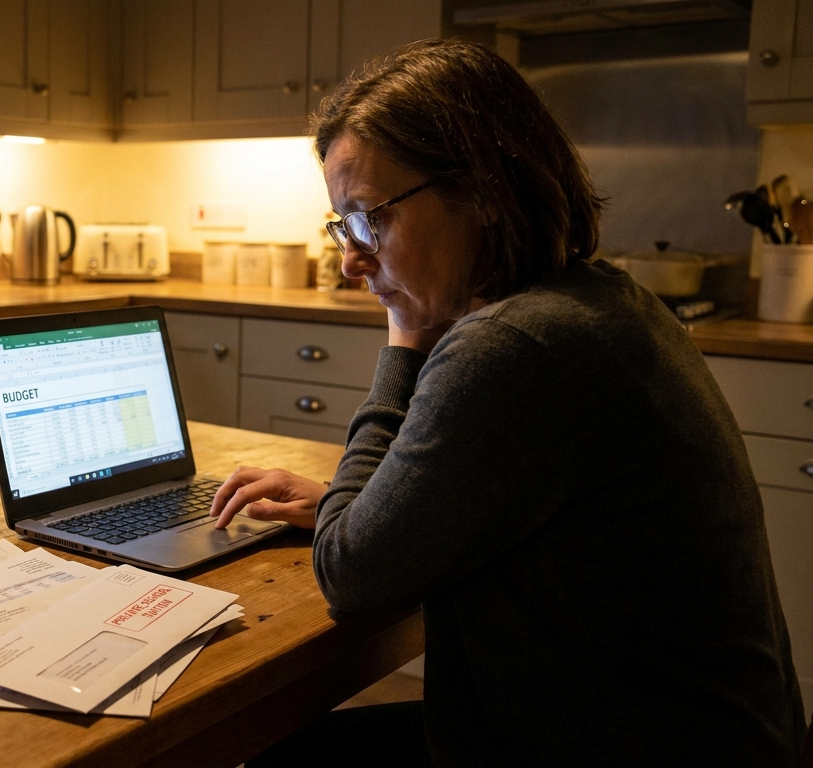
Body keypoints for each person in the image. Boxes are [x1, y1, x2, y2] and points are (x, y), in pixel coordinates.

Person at [209, 39, 807, 767]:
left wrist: (402, 340)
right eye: (343, 225)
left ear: (483, 193)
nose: (351, 260)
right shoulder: (605, 298)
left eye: (371, 218)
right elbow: (493, 505)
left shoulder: (514, 343)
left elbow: (351, 575)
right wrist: (352, 500)